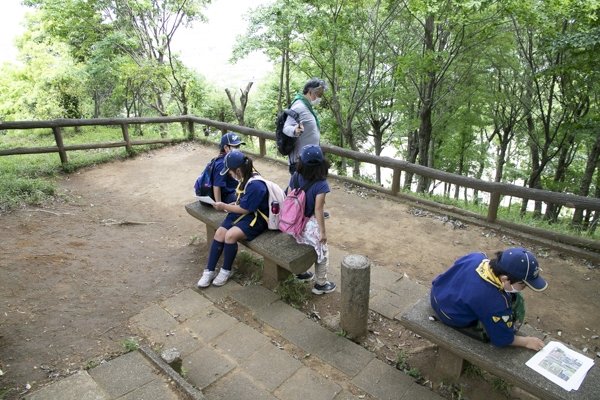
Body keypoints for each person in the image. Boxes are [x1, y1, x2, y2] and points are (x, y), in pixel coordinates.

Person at [430, 248, 548, 350]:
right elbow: (502, 339)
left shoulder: (476, 257)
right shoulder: (496, 302)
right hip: (451, 316)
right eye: (523, 285)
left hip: (437, 292)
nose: (524, 288)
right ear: (505, 279)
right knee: (514, 303)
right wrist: (527, 342)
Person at [197, 151, 269, 287]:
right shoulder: (244, 176)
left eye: (230, 172)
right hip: (242, 211)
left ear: (238, 170)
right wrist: (232, 205)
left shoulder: (256, 184)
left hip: (256, 217)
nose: (229, 174)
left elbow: (247, 209)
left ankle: (226, 270)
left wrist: (224, 206)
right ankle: (209, 270)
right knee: (219, 233)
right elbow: (243, 201)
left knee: (230, 236)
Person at [284, 145, 336, 294]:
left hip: (293, 224)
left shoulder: (294, 177)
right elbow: (318, 209)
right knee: (322, 251)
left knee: (300, 243)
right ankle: (321, 284)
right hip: (307, 225)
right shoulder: (321, 185)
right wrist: (323, 232)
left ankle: (301, 273)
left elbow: (289, 199)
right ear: (322, 164)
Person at [212, 132, 246, 204]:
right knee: (246, 201)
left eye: (238, 146)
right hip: (228, 195)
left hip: (236, 190)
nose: (238, 149)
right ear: (226, 148)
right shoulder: (221, 164)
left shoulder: (231, 159)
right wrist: (219, 203)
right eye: (235, 147)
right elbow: (216, 185)